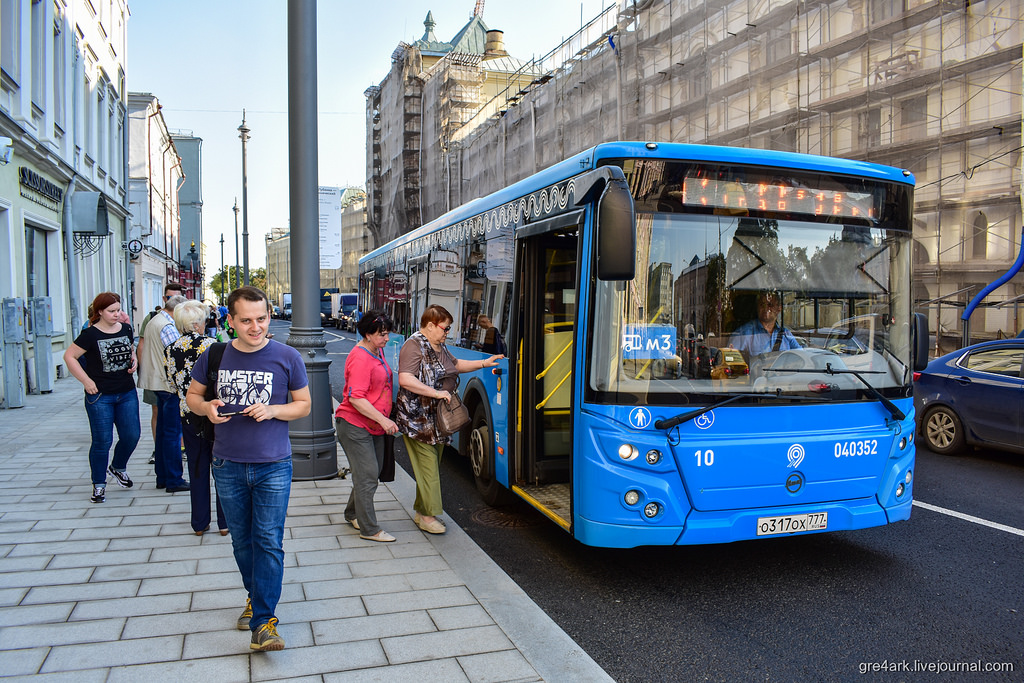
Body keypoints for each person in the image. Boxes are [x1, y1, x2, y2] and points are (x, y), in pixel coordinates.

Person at [186, 285, 310, 652]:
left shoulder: (287, 357)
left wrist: (273, 410)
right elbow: (193, 397)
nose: (256, 327)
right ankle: (255, 599)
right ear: (231, 320)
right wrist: (206, 408)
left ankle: (264, 622)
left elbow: (302, 405)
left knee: (268, 541)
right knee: (243, 542)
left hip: (274, 464)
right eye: (247, 320)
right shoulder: (214, 356)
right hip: (227, 463)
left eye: (262, 319)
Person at [396, 305, 503, 534]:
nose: (447, 333)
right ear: (431, 325)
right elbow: (405, 379)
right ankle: (427, 515)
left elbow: (454, 365)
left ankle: (421, 510)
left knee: (432, 464)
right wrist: (435, 393)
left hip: (438, 420)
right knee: (429, 467)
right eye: (445, 328)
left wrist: (484, 363)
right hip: (418, 419)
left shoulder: (439, 345)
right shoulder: (413, 345)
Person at [63, 292, 140, 503]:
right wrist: (86, 382)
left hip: (126, 391)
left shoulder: (125, 328)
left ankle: (117, 466)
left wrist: (133, 359)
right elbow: (69, 356)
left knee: (131, 435)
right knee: (102, 441)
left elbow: (129, 348)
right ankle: (98, 485)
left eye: (118, 310)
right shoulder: (90, 334)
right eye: (112, 311)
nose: (117, 315)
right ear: (100, 312)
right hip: (100, 396)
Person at [335, 311, 399, 543]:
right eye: (382, 334)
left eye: (387, 333)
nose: (387, 338)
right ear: (368, 334)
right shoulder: (360, 357)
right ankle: (369, 529)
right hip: (354, 424)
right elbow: (356, 398)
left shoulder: (376, 349)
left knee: (370, 473)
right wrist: (384, 420)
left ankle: (352, 513)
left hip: (373, 424)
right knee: (368, 476)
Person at [165, 299, 226, 537]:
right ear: (200, 323)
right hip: (214, 411)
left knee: (197, 467)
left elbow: (171, 384)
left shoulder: (171, 348)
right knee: (221, 467)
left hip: (188, 413)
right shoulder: (214, 346)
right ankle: (225, 522)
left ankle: (200, 523)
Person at [140, 293, 189, 493]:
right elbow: (178, 355)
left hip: (157, 382)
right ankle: (174, 479)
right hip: (168, 385)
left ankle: (162, 476)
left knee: (162, 433)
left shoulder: (156, 320)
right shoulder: (168, 326)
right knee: (172, 433)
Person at [728, 291, 800, 360]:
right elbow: (731, 359)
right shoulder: (744, 333)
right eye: (762, 305)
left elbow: (801, 356)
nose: (766, 308)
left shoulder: (785, 334)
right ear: (757, 307)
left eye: (770, 305)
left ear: (779, 308)